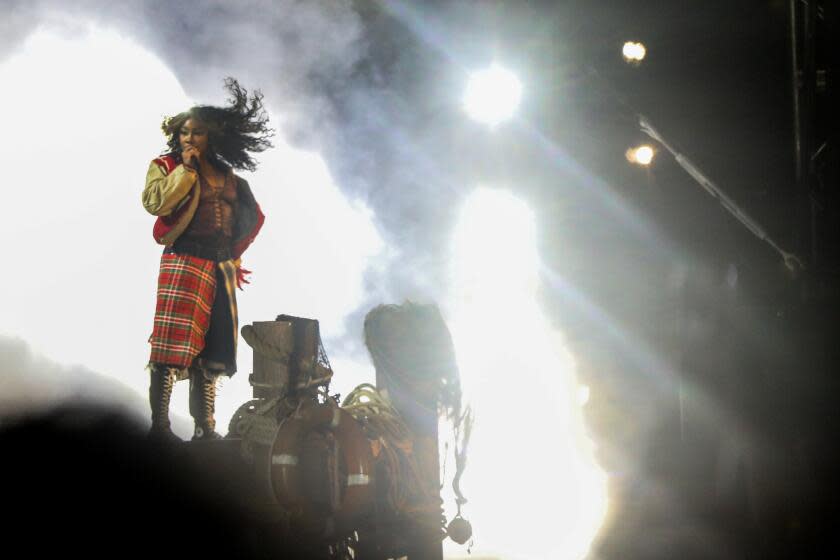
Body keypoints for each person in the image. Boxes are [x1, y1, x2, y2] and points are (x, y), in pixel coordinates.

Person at [142, 78, 273, 441]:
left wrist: (234, 256)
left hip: (219, 267)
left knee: (213, 352)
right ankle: (160, 427)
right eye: (184, 132)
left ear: (212, 137)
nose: (189, 139)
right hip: (184, 259)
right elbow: (156, 203)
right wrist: (185, 170)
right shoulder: (166, 166)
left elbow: (253, 218)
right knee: (169, 347)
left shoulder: (231, 179)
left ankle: (206, 427)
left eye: (196, 133)